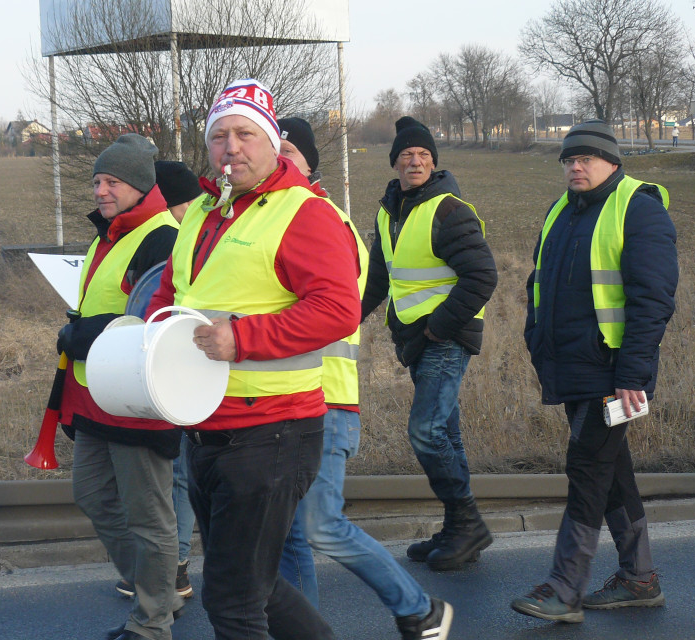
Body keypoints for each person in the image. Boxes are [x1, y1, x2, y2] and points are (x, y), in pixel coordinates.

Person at [147, 79, 391, 640]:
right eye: (219, 136)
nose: (231, 147)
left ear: (272, 141)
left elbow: (338, 310)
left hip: (272, 432)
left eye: (245, 134)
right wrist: (143, 337)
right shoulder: (205, 210)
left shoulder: (304, 212)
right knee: (256, 584)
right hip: (207, 429)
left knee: (233, 603)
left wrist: (243, 338)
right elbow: (174, 291)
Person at [276, 117, 453, 640]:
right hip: (287, 401)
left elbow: (329, 312)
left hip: (327, 402)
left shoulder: (322, 221)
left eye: (288, 150)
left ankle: (419, 609)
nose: (279, 156)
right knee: (289, 534)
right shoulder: (274, 219)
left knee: (318, 524)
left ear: (310, 162)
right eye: (274, 148)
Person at [511, 119, 678, 623]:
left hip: (612, 373)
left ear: (612, 161)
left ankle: (565, 588)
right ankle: (639, 578)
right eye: (568, 159)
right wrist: (536, 341)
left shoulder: (640, 210)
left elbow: (652, 301)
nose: (575, 166)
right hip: (572, 368)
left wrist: (632, 373)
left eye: (585, 158)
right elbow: (539, 283)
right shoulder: (561, 210)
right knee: (611, 473)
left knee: (587, 471)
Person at [55, 133, 184, 640]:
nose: (100, 191)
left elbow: (155, 317)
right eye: (96, 182)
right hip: (96, 394)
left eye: (111, 182)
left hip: (136, 398)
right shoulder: (108, 234)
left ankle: (152, 622)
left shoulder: (161, 237)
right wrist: (79, 327)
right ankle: (159, 592)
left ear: (138, 185)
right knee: (93, 497)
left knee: (149, 516)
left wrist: (82, 332)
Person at [361, 116, 498, 572]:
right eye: (406, 155)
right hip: (415, 340)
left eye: (422, 155)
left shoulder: (448, 209)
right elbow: (379, 277)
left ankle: (468, 523)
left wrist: (437, 329)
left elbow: (482, 276)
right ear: (395, 163)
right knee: (447, 434)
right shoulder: (389, 211)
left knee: (426, 431)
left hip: (444, 337)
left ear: (434, 163)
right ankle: (459, 529)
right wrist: (346, 316)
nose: (414, 161)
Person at [115, 159, 204, 603]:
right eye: (186, 203)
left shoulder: (182, 239)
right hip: (164, 372)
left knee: (181, 474)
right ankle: (170, 567)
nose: (193, 210)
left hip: (183, 374)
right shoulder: (171, 240)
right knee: (179, 473)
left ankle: (174, 568)